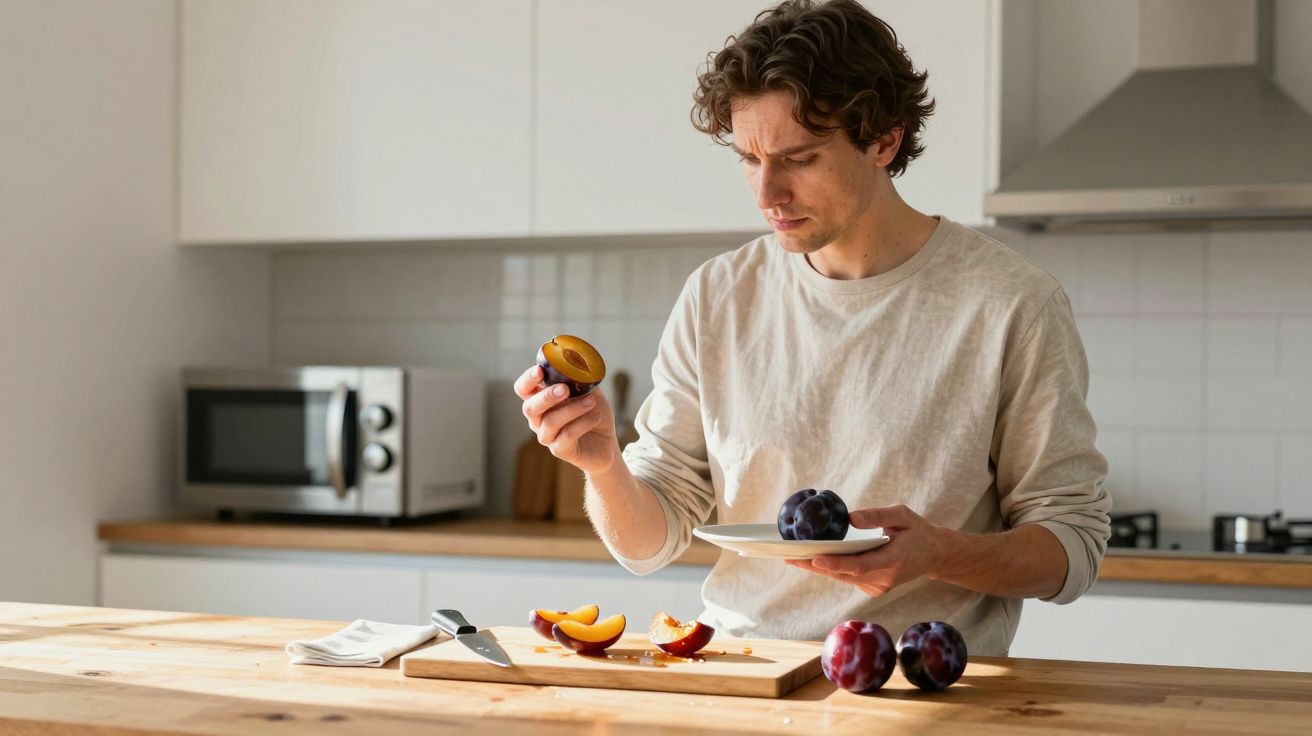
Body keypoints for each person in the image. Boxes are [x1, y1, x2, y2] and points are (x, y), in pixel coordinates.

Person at [513, 0, 1110, 655]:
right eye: (748, 157)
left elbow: (1071, 549)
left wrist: (940, 553)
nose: (767, 192)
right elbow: (648, 545)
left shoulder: (1009, 303)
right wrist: (601, 464)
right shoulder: (718, 296)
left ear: (883, 139)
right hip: (743, 673)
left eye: (799, 158)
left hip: (922, 686)